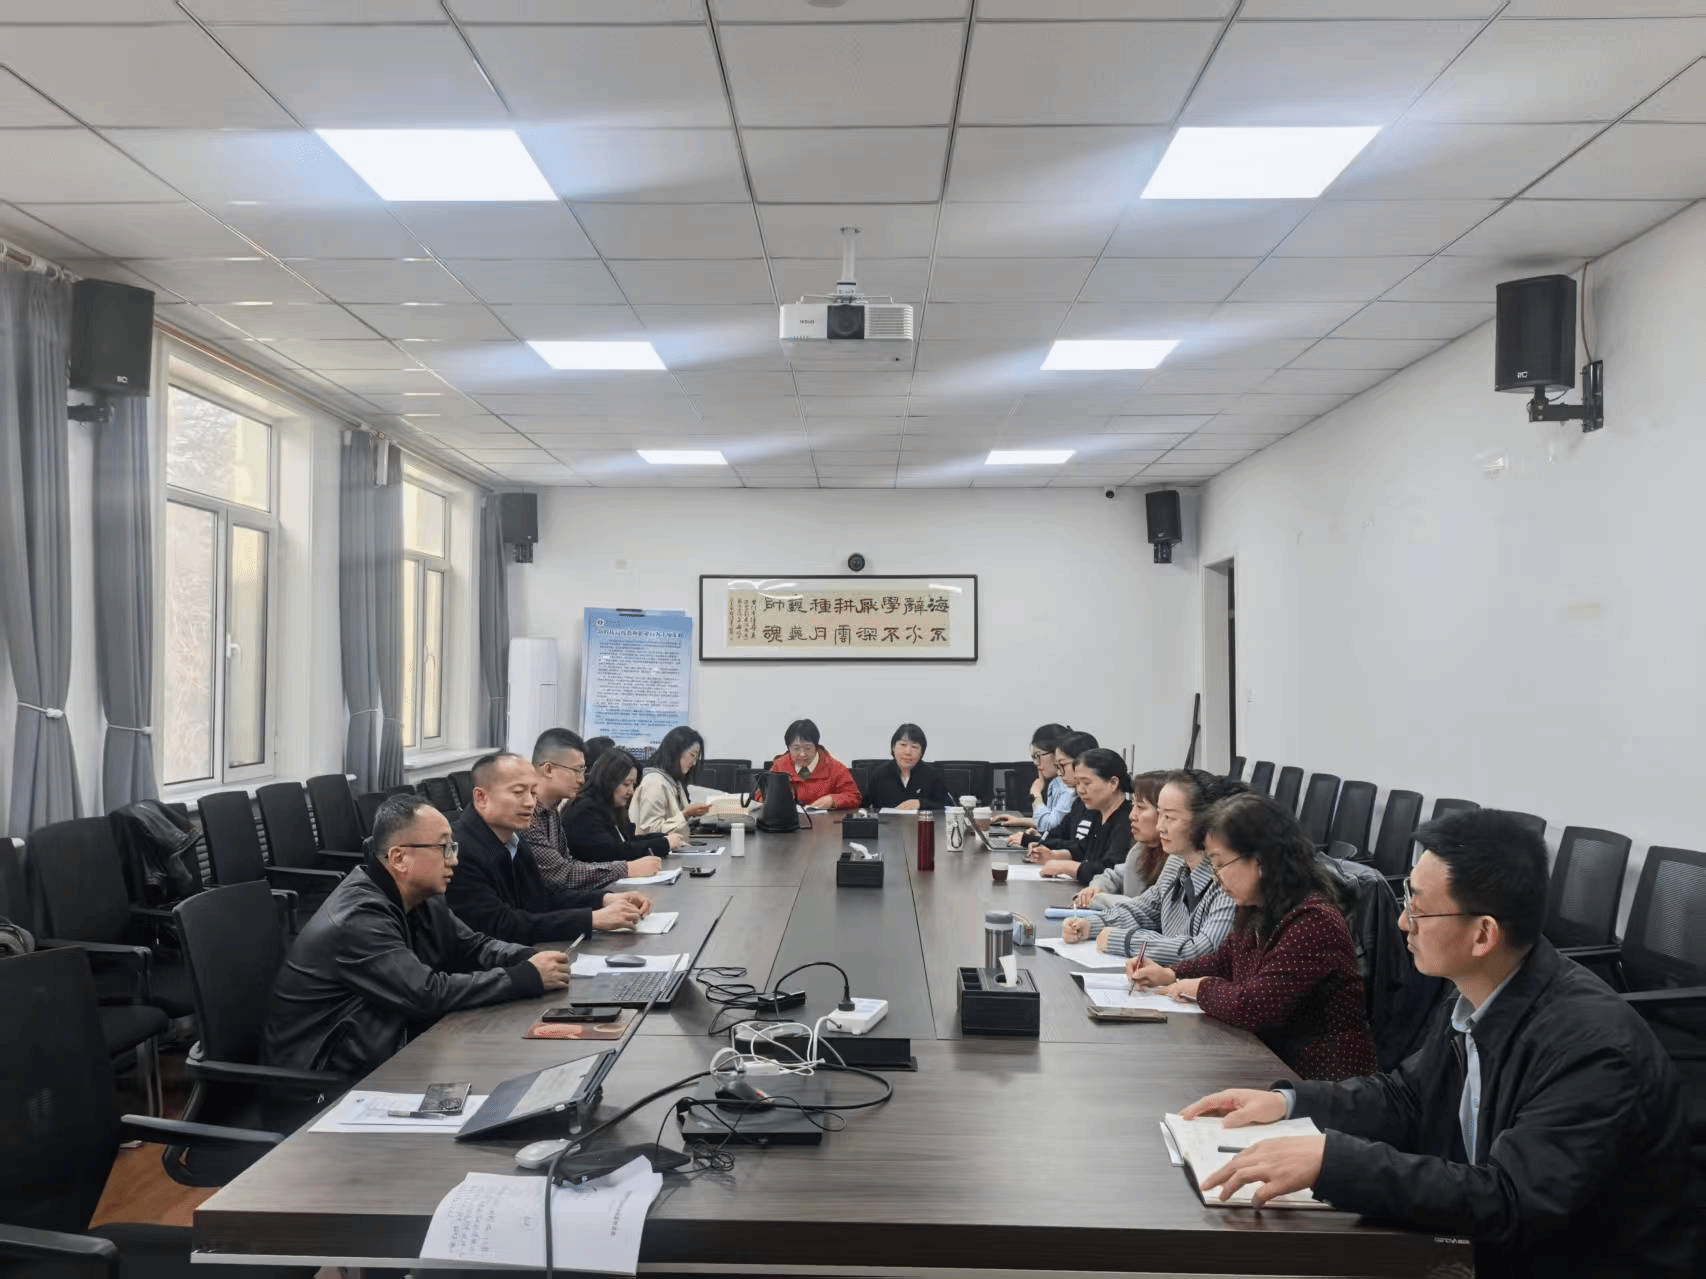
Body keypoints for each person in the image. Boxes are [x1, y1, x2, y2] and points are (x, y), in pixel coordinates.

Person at [1182, 808, 1696, 1278]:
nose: (1402, 921)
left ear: (1483, 934)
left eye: (1420, 910)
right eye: (1406, 898)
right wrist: (1289, 1102)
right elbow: (1408, 1097)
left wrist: (1333, 1162)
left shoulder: (1593, 1049)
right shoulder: (1478, 992)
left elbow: (1513, 1201)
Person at [263, 794, 568, 1079]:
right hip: (323, 1082)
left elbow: (474, 946)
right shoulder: (357, 919)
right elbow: (426, 993)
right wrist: (525, 977)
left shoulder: (421, 896)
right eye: (443, 848)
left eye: (453, 847)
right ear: (398, 859)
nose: (454, 860)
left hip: (382, 1047)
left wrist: (529, 958)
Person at [1126, 792, 1375, 1081]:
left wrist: (1198, 987)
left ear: (1261, 861)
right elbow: (1224, 961)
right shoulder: (1257, 907)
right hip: (1268, 1060)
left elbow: (1254, 1006)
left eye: (1220, 864)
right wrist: (1171, 973)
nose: (1216, 877)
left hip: (1319, 1078)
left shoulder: (1313, 922)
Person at [447, 751, 649, 945]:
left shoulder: (515, 840)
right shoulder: (459, 852)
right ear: (481, 797)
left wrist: (606, 899)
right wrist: (591, 919)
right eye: (518, 792)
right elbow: (501, 925)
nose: (530, 803)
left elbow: (543, 895)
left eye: (533, 792)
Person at [1060, 769, 1240, 967]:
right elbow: (1144, 909)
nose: (1160, 826)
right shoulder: (1176, 861)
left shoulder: (1228, 878)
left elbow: (1203, 950)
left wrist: (1125, 941)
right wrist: (1091, 925)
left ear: (1203, 822)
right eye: (1160, 815)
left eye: (1169, 817)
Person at [524, 727, 662, 891]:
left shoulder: (551, 811)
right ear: (548, 769)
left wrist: (604, 900)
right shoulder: (526, 815)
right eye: (576, 771)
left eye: (583, 771)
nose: (582, 780)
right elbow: (561, 874)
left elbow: (567, 863)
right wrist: (626, 869)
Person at [561, 749, 686, 863]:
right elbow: (614, 851)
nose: (631, 791)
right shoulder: (585, 811)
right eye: (626, 784)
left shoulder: (612, 808)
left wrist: (664, 838)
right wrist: (663, 843)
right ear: (608, 781)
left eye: (633, 785)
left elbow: (627, 841)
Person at [1036, 748, 1134, 886]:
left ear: (1113, 783)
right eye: (1077, 783)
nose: (1080, 790)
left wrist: (1066, 867)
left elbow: (1111, 870)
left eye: (1086, 783)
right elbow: (1084, 848)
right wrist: (1054, 855)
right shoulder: (1098, 813)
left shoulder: (1127, 820)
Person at [1074, 769, 1167, 909]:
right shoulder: (1140, 850)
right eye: (1133, 805)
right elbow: (1113, 876)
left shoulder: (1176, 862)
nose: (1132, 816)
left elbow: (1147, 908)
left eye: (1141, 807)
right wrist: (1094, 889)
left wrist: (1097, 899)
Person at [1024, 730, 1098, 854]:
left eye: (1062, 765)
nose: (1059, 773)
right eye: (1058, 766)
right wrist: (1039, 839)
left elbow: (1080, 848)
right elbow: (1059, 831)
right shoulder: (1078, 803)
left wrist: (1036, 795)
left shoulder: (1083, 799)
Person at [630, 725, 712, 837]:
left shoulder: (674, 781)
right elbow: (650, 831)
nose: (693, 763)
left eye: (696, 758)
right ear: (675, 752)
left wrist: (692, 814)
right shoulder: (654, 782)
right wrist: (685, 814)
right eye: (692, 755)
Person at [991, 723, 1071, 834]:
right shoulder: (1056, 783)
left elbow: (1049, 827)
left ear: (1057, 752)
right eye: (1034, 757)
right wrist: (1020, 821)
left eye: (1038, 756)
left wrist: (1036, 795)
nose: (1036, 763)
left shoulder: (1069, 787)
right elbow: (1055, 822)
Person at [767, 718, 861, 811]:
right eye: (796, 748)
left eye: (808, 748)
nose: (802, 754)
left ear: (816, 746)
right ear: (788, 748)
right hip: (790, 819)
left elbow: (854, 796)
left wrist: (832, 801)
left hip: (825, 819)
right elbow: (763, 795)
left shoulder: (835, 767)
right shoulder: (780, 765)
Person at [862, 723, 952, 811]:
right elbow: (863, 808)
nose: (908, 752)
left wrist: (921, 804)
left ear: (921, 752)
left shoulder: (932, 775)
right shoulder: (879, 775)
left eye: (914, 747)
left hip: (922, 821)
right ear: (893, 747)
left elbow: (948, 807)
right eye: (903, 745)